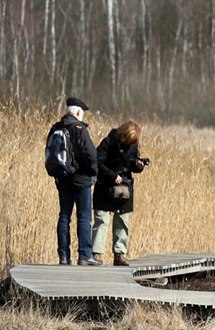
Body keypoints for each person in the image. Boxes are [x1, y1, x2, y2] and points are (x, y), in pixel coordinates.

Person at [47, 97, 102, 266]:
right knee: (84, 217)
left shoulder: (56, 127)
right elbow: (91, 154)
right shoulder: (79, 128)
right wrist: (94, 172)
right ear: (78, 112)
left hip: (62, 178)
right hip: (81, 180)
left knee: (64, 216)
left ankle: (64, 256)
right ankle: (85, 256)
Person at [92, 120, 146, 266]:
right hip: (105, 187)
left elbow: (132, 164)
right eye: (128, 140)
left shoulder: (133, 144)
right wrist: (112, 175)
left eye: (132, 142)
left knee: (123, 221)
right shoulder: (109, 141)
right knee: (101, 220)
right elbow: (97, 161)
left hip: (124, 188)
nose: (130, 143)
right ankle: (96, 254)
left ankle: (119, 254)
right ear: (123, 135)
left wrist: (138, 165)